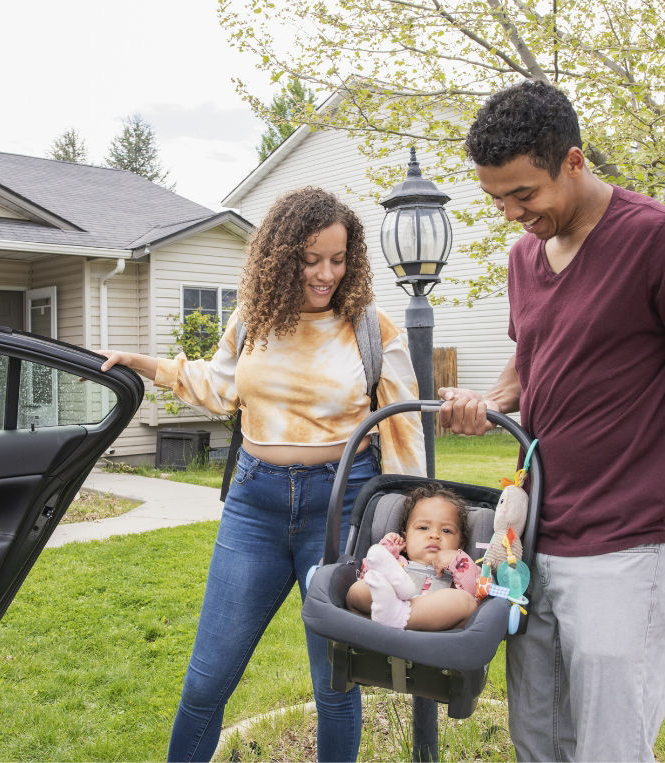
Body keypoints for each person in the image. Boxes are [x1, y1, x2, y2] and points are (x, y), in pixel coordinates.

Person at [437, 80, 665, 761]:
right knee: (538, 742)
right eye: (496, 197)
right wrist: (490, 401)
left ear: (575, 162)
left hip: (624, 551)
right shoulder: (525, 254)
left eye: (524, 194)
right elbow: (536, 357)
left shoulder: (661, 241)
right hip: (531, 547)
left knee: (611, 749)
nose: (510, 212)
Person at [99, 186, 425, 762]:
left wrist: (412, 528)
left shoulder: (374, 331)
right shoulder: (254, 320)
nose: (326, 273)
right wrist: (149, 365)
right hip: (255, 507)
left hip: (341, 509)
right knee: (205, 683)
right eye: (310, 259)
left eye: (338, 258)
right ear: (281, 255)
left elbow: (402, 435)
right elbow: (222, 387)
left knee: (335, 684)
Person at [346, 482, 483, 630]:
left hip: (436, 626)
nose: (434, 535)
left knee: (464, 602)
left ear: (461, 543)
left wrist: (457, 560)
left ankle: (397, 616)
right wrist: (387, 550)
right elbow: (367, 574)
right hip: (387, 603)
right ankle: (391, 613)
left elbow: (478, 592)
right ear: (406, 537)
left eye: (446, 531)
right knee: (358, 589)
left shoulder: (460, 569)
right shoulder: (396, 563)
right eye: (423, 528)